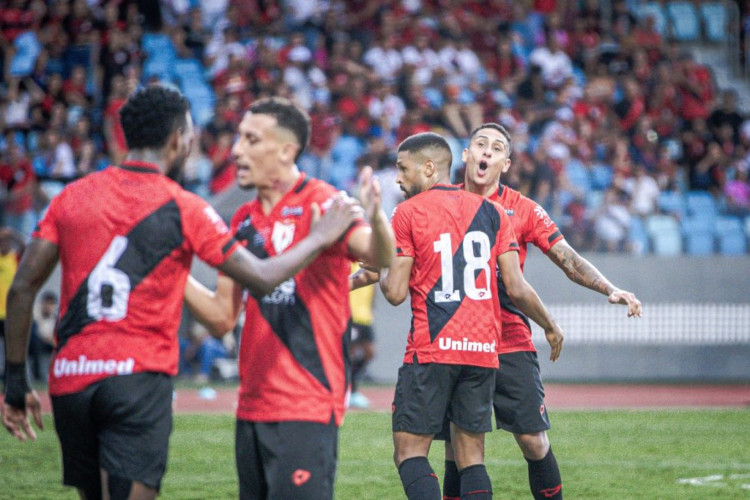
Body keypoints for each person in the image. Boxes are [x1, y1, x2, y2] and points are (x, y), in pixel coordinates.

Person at [1, 86, 359, 500]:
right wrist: (319, 237)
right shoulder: (184, 206)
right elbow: (261, 278)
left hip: (70, 381)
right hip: (137, 380)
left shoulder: (71, 195)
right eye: (189, 135)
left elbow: (23, 286)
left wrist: (14, 381)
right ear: (177, 139)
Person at [183, 97, 394, 500]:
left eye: (250, 139)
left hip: (307, 401)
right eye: (239, 139)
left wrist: (378, 217)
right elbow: (221, 318)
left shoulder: (324, 202)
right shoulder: (242, 218)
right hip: (251, 405)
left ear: (285, 150)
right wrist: (172, 275)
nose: (237, 150)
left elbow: (382, 256)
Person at [441, 123, 642, 500]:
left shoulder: (524, 209)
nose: (486, 152)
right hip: (458, 339)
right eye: (479, 144)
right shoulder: (440, 201)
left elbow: (569, 259)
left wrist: (610, 288)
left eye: (496, 148)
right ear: (466, 155)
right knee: (458, 448)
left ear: (505, 163)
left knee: (533, 440)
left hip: (508, 339)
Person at [371, 132, 563, 500]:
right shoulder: (492, 211)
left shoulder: (408, 212)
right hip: (482, 352)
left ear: (428, 168)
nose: (398, 178)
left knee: (409, 453)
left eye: (402, 168)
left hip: (432, 349)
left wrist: (383, 262)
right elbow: (516, 286)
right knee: (470, 457)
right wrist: (549, 325)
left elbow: (394, 292)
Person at [348, 262, 376, 409]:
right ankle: (351, 391)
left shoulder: (371, 262)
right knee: (350, 353)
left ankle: (351, 385)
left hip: (365, 315)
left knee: (370, 352)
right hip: (351, 313)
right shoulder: (351, 261)